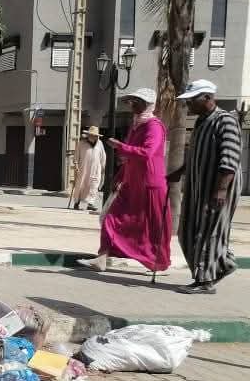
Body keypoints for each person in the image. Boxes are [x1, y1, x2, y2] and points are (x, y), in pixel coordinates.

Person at [77, 88, 171, 274]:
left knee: (152, 227)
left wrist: (121, 146)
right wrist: (120, 176)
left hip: (149, 184)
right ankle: (102, 258)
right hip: (131, 183)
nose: (132, 104)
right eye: (132, 101)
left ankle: (158, 262)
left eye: (137, 101)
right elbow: (130, 158)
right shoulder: (136, 125)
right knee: (110, 218)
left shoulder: (154, 126)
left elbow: (147, 153)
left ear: (148, 105)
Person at [170, 79, 242, 294]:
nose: (188, 105)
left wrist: (221, 189)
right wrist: (180, 171)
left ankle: (205, 281)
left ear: (208, 98)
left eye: (192, 100)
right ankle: (224, 264)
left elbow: (230, 157)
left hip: (217, 187)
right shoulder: (201, 122)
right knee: (187, 231)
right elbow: (197, 153)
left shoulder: (225, 120)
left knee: (208, 232)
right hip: (197, 187)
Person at [71, 126, 107, 211]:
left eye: (95, 135)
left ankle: (90, 203)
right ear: (88, 135)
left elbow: (103, 156)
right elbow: (76, 156)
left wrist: (103, 167)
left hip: (96, 169)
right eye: (91, 134)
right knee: (80, 185)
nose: (93, 136)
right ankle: (77, 202)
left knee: (94, 186)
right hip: (83, 168)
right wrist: (76, 166)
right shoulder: (81, 143)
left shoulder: (100, 144)